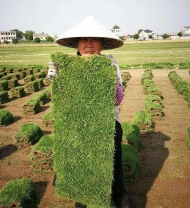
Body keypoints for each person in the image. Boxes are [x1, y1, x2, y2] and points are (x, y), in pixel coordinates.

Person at [50, 16, 134, 208]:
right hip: (76, 128)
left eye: (94, 39)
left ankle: (120, 196)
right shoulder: (67, 66)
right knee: (81, 169)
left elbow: (118, 99)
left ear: (102, 45)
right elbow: (60, 99)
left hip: (107, 126)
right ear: (77, 45)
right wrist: (54, 77)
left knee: (112, 168)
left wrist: (110, 80)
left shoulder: (109, 64)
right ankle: (82, 200)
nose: (89, 44)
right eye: (83, 40)